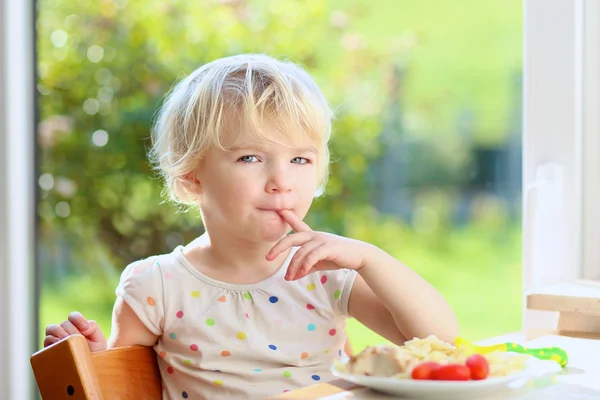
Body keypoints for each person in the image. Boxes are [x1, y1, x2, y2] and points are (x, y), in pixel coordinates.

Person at [43, 54, 460, 399]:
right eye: (250, 158)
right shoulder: (156, 287)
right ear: (192, 177)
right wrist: (93, 362)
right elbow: (124, 386)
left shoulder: (326, 270)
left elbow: (440, 340)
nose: (281, 180)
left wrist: (370, 260)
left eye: (300, 159)